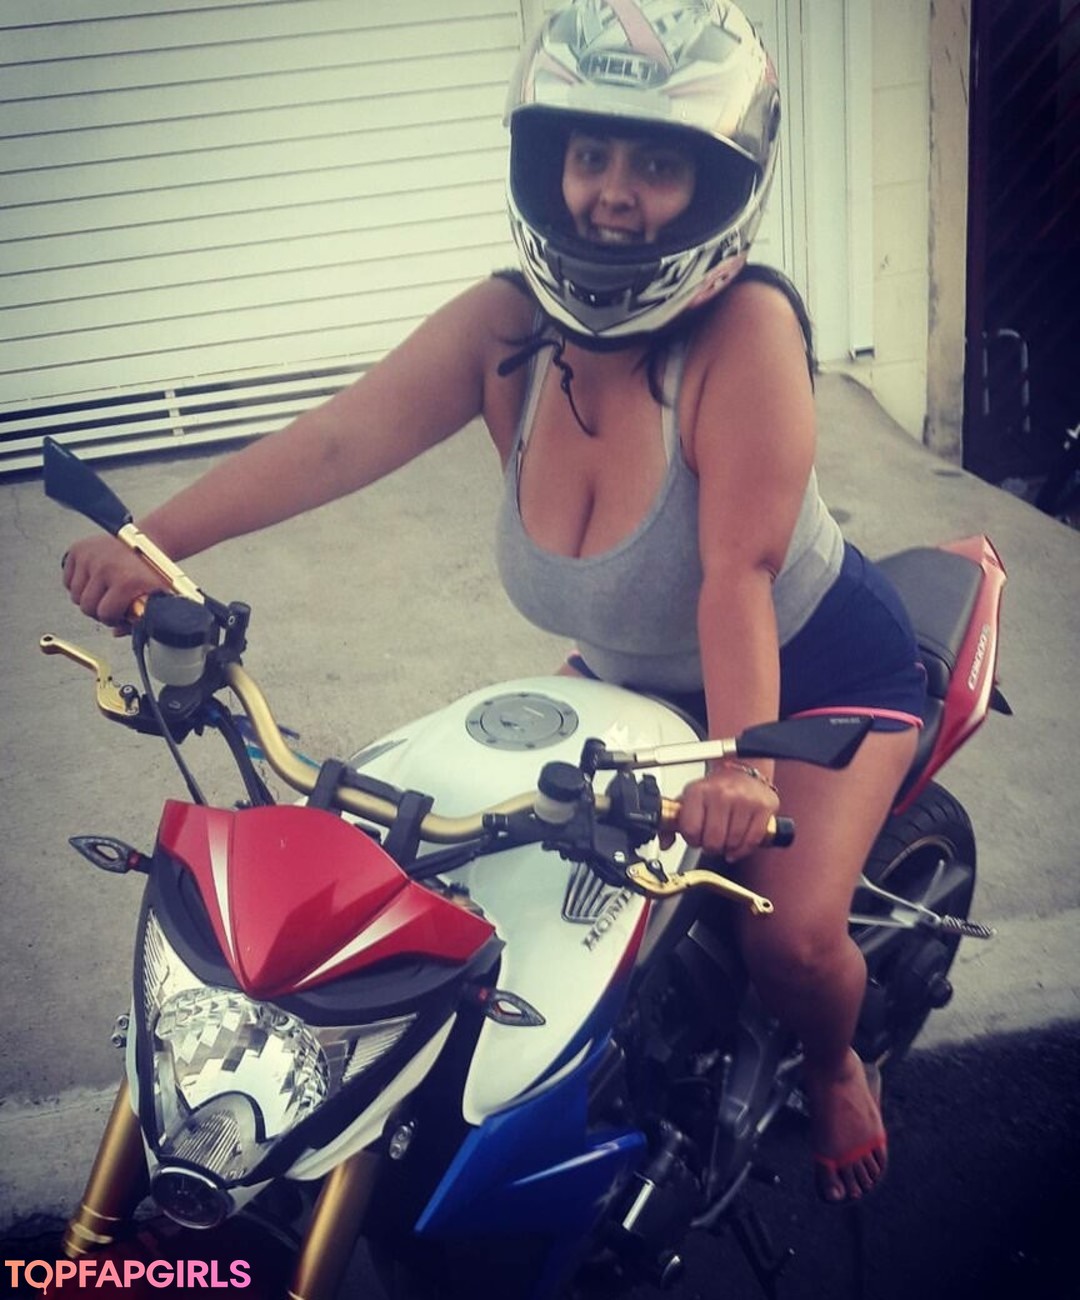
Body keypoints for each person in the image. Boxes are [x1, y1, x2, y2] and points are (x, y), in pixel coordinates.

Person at [61, 0, 925, 1204]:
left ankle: (836, 1068)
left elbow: (737, 574)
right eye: (590, 153)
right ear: (547, 162)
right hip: (625, 683)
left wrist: (746, 771)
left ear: (718, 183)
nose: (612, 193)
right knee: (470, 883)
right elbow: (336, 438)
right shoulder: (507, 329)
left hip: (807, 686)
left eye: (657, 163)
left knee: (788, 935)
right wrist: (156, 543)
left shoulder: (746, 334)